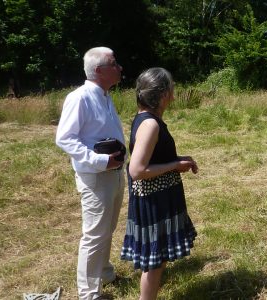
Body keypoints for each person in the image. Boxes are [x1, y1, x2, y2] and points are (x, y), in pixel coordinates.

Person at [120, 67, 198, 300]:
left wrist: (176, 161)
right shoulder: (150, 124)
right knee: (154, 263)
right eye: (172, 88)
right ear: (164, 94)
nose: (174, 93)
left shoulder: (147, 119)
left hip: (158, 198)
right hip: (155, 202)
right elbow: (137, 170)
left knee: (158, 259)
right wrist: (175, 165)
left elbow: (151, 160)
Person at [55, 47, 125, 299]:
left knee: (108, 227)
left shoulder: (105, 96)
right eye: (114, 64)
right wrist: (99, 160)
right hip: (96, 177)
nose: (119, 68)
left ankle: (104, 273)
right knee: (94, 234)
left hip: (114, 174)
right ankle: (88, 294)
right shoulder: (80, 97)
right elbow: (65, 139)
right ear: (99, 71)